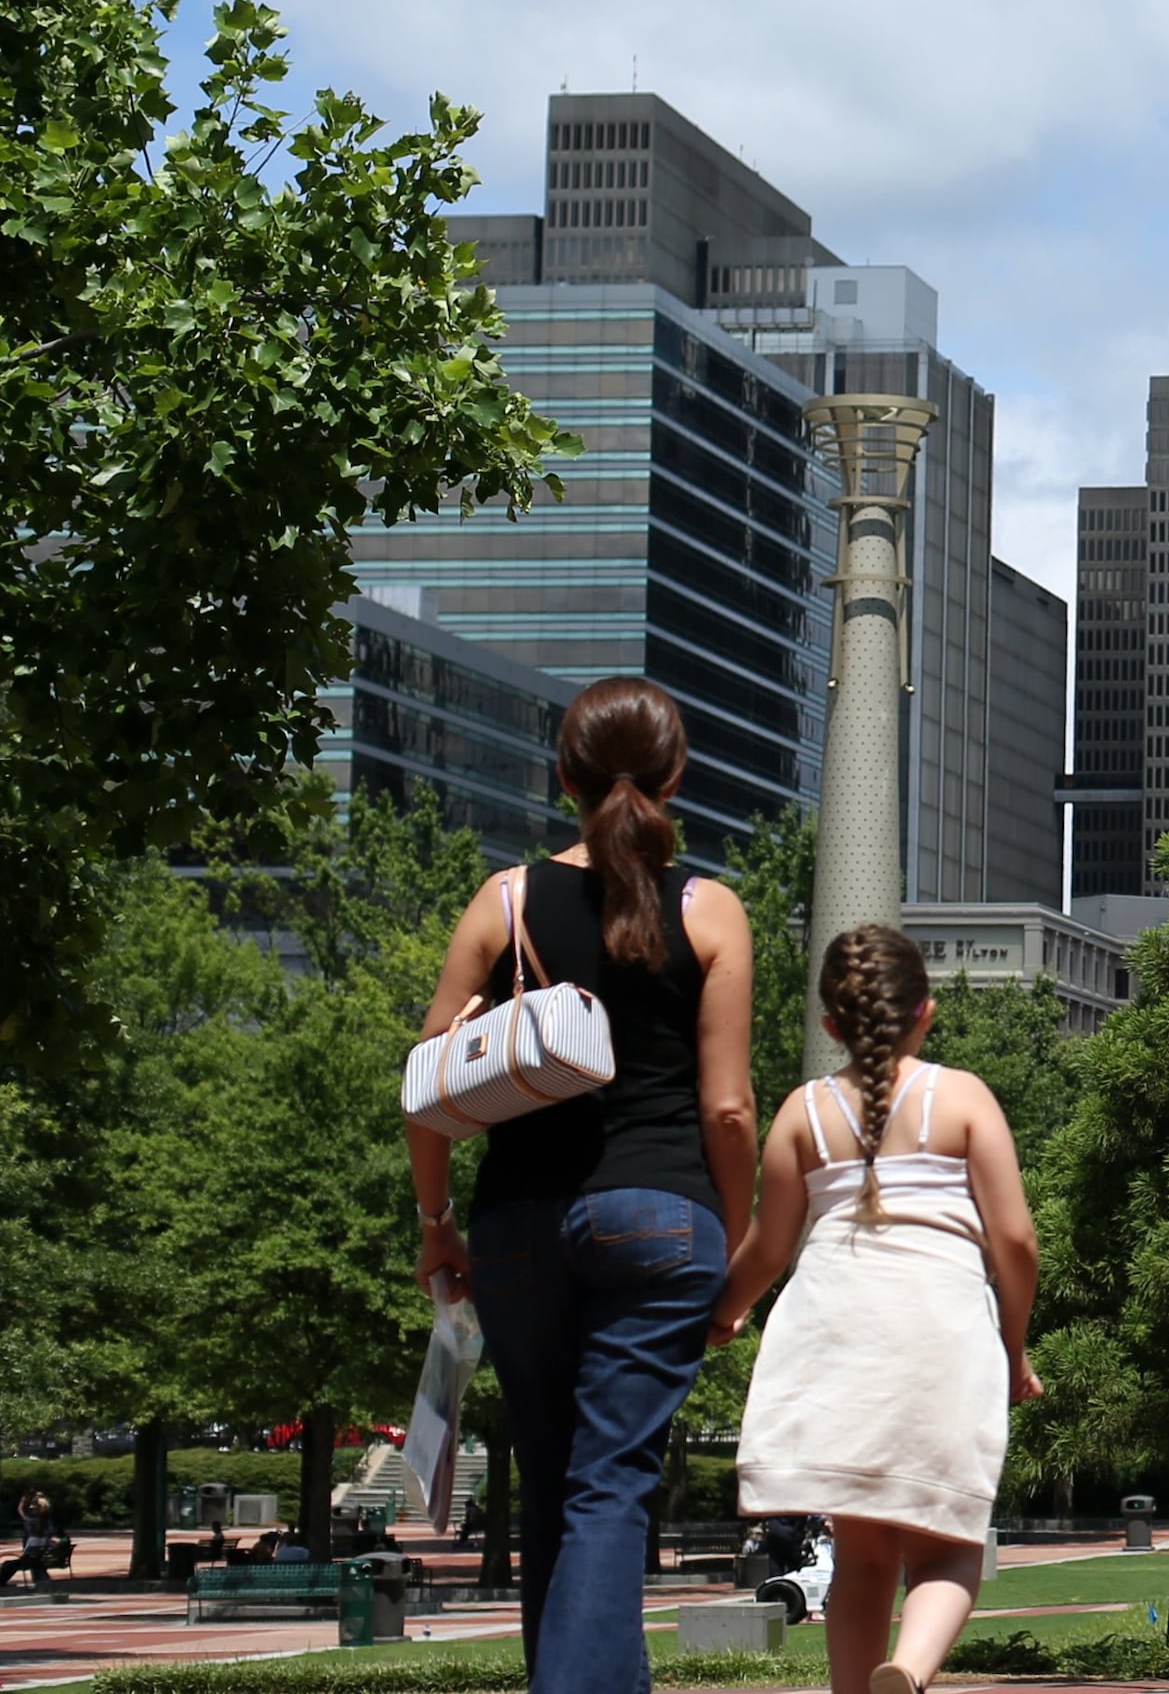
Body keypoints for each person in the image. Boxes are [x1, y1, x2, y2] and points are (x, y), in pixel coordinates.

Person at [409, 677, 755, 1694]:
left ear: (561, 778)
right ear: (677, 776)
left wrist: (435, 1223)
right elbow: (730, 1112)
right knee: (611, 1489)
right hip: (663, 1218)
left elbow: (426, 1086)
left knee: (558, 1487)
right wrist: (727, 1241)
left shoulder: (504, 900)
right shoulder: (710, 910)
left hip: (517, 1223)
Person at [714, 924, 1042, 1694]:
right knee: (947, 1548)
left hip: (835, 1336)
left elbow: (768, 1248)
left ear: (829, 1023)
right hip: (937, 1329)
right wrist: (1012, 1344)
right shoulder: (960, 1098)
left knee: (862, 1558)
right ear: (924, 1012)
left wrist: (722, 1311)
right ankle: (910, 1668)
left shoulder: (803, 1111)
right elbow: (1017, 1240)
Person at [7, 1488, 58, 1588]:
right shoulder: (48, 1526)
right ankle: (43, 1581)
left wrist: (23, 1508)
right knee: (37, 1562)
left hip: (30, 1558)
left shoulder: (32, 1525)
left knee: (8, 1565)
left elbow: (21, 1512)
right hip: (41, 1556)